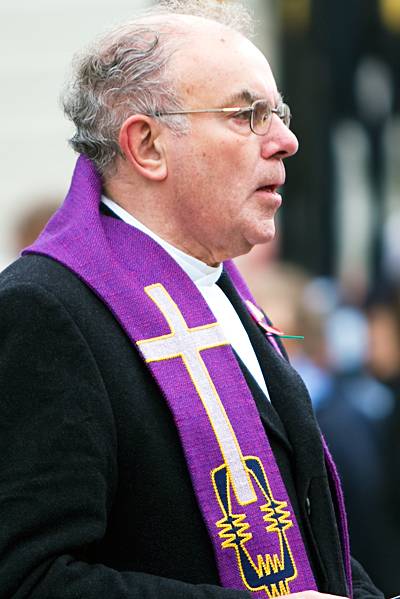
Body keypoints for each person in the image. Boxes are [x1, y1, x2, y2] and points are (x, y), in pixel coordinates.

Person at [0, 2, 383, 598]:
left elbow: (314, 551)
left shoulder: (224, 290)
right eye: (247, 114)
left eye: (276, 113)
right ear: (147, 145)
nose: (286, 140)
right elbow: (27, 579)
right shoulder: (44, 312)